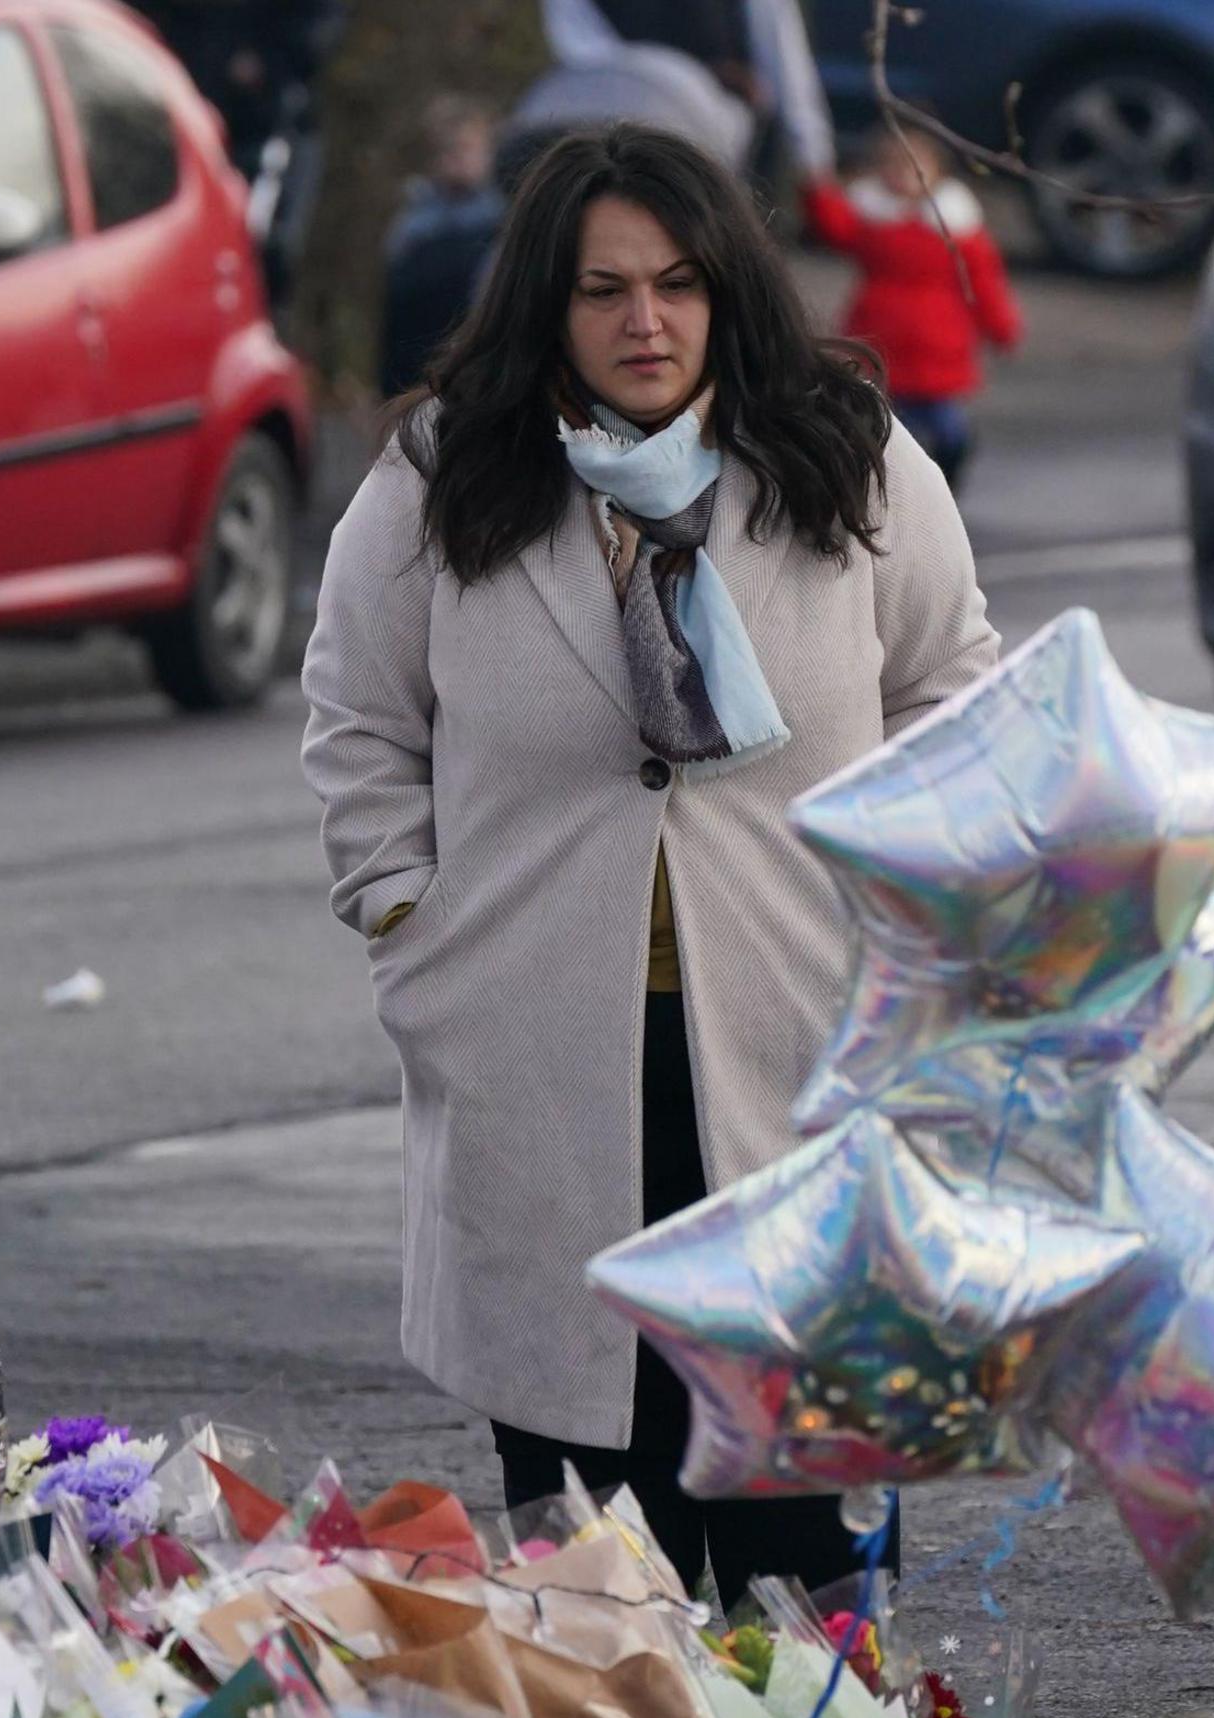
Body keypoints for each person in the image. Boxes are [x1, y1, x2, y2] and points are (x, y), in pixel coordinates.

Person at [302, 124, 998, 1600]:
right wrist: (408, 920)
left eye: (678, 284)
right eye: (604, 290)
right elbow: (359, 721)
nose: (645, 322)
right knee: (598, 1572)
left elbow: (955, 688)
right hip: (545, 1061)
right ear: (545, 304)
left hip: (806, 1051)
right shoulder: (442, 478)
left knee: (806, 1561)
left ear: (725, 288)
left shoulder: (846, 450)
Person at [806, 125, 1022, 493]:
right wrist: (814, 187)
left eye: (913, 166)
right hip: (879, 344)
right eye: (892, 165)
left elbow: (984, 282)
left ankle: (944, 481)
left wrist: (1002, 326)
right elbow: (834, 227)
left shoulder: (957, 226)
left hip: (937, 349)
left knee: (946, 429)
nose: (902, 175)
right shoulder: (873, 217)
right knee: (876, 427)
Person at [382, 95, 507, 401]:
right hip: (416, 363)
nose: (456, 160)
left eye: (466, 149)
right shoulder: (414, 222)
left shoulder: (502, 221)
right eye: (447, 151)